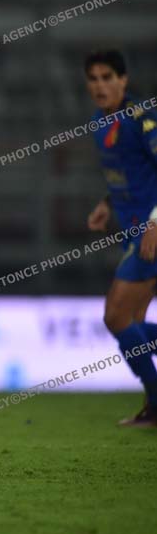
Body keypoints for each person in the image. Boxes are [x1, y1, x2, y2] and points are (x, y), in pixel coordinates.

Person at [84, 49, 157, 426]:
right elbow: (130, 173)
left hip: (151, 232)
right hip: (133, 231)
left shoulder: (142, 119)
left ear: (123, 80)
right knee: (134, 322)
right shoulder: (99, 122)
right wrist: (106, 203)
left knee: (115, 316)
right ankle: (153, 406)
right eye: (93, 79)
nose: (100, 85)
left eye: (107, 77)